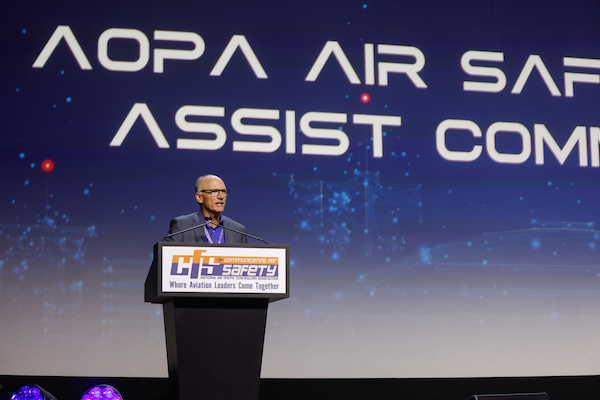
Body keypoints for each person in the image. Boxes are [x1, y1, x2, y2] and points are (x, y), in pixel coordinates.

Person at [164, 175, 247, 243]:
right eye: (214, 191)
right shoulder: (182, 227)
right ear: (199, 197)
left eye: (224, 191)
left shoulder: (238, 230)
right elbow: (165, 256)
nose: (221, 196)